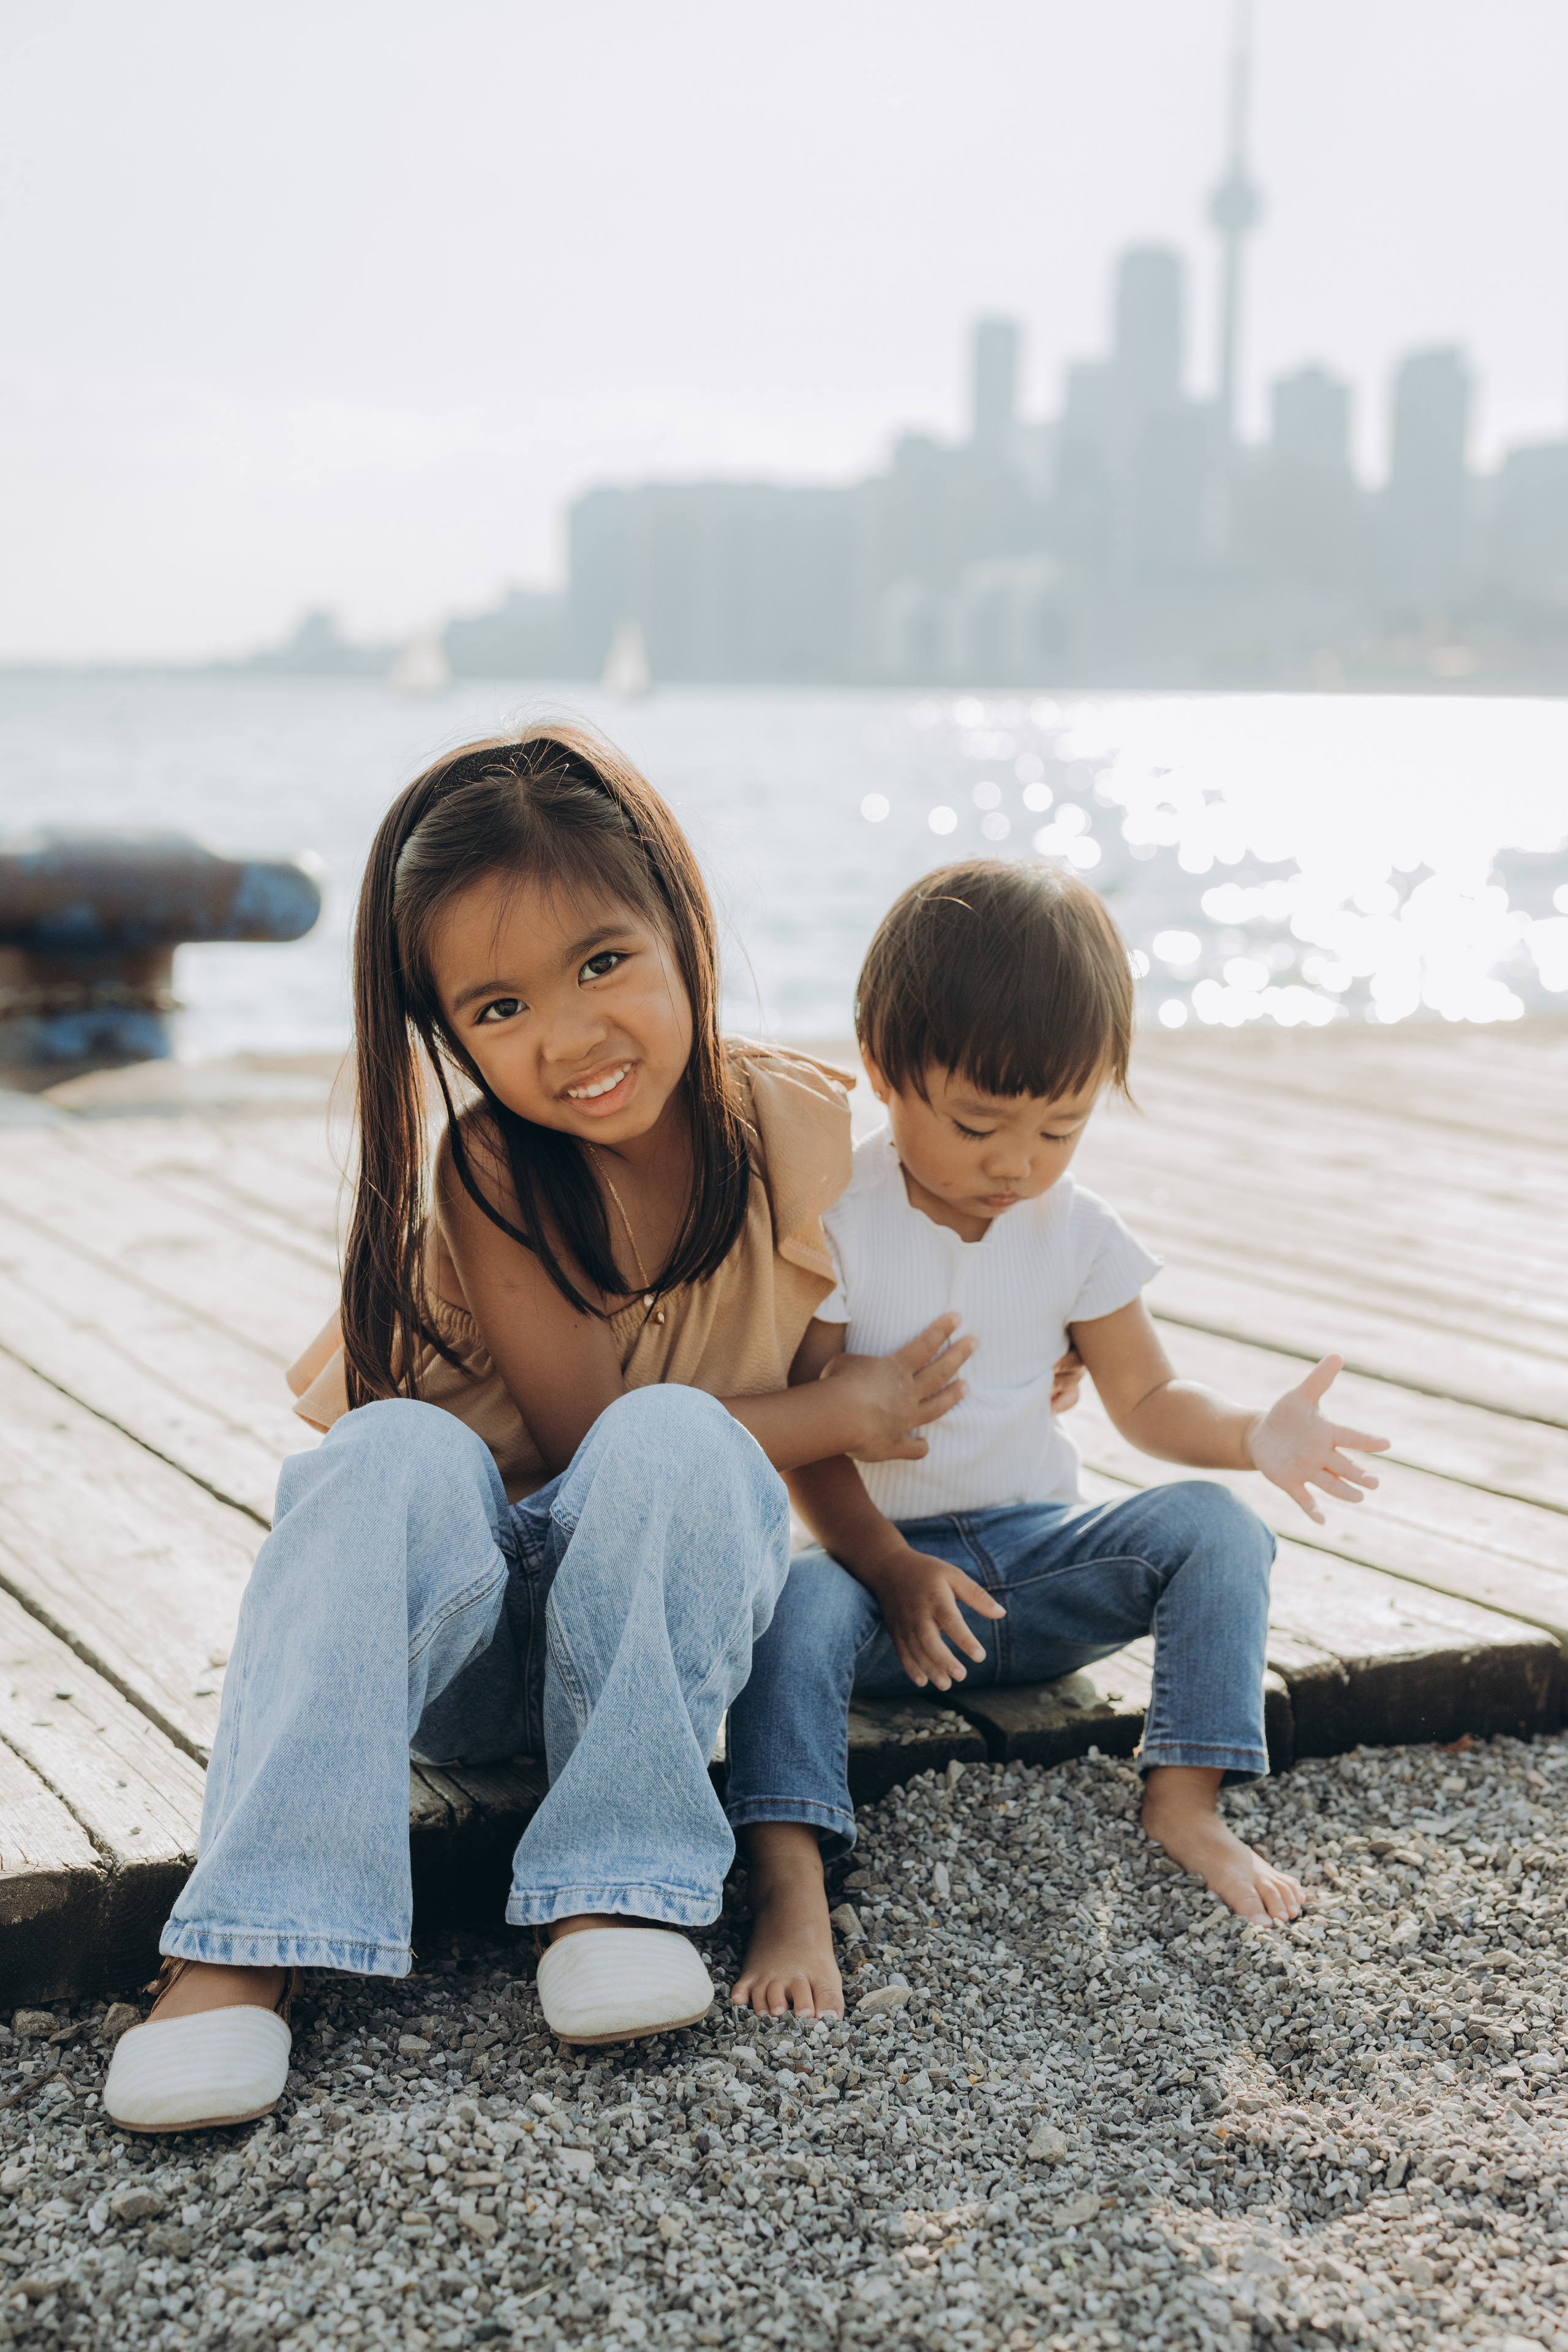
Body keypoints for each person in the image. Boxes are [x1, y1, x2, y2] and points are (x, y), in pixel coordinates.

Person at [105, 724, 981, 2133]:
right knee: (387, 1452)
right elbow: (591, 1432)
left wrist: (897, 1539)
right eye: (496, 1011)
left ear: (680, 930)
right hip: (467, 1643)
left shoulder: (792, 1132)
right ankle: (240, 1944)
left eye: (601, 965)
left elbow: (855, 1342)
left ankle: (613, 1891)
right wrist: (850, 1405)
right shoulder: (490, 1170)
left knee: (687, 1444)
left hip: (648, 1634)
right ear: (445, 1035)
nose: (569, 1039)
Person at [723, 859, 1390, 2022]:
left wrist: (1253, 1436)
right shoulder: (837, 1220)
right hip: (880, 1584)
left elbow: (1145, 1402)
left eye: (1060, 1128)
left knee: (1217, 1532)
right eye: (977, 1122)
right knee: (784, 1614)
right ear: (884, 1073)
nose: (1015, 1163)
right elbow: (811, 1437)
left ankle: (1186, 1800)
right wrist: (889, 1565)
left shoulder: (1079, 1234)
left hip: (1037, 1572)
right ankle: (790, 1880)